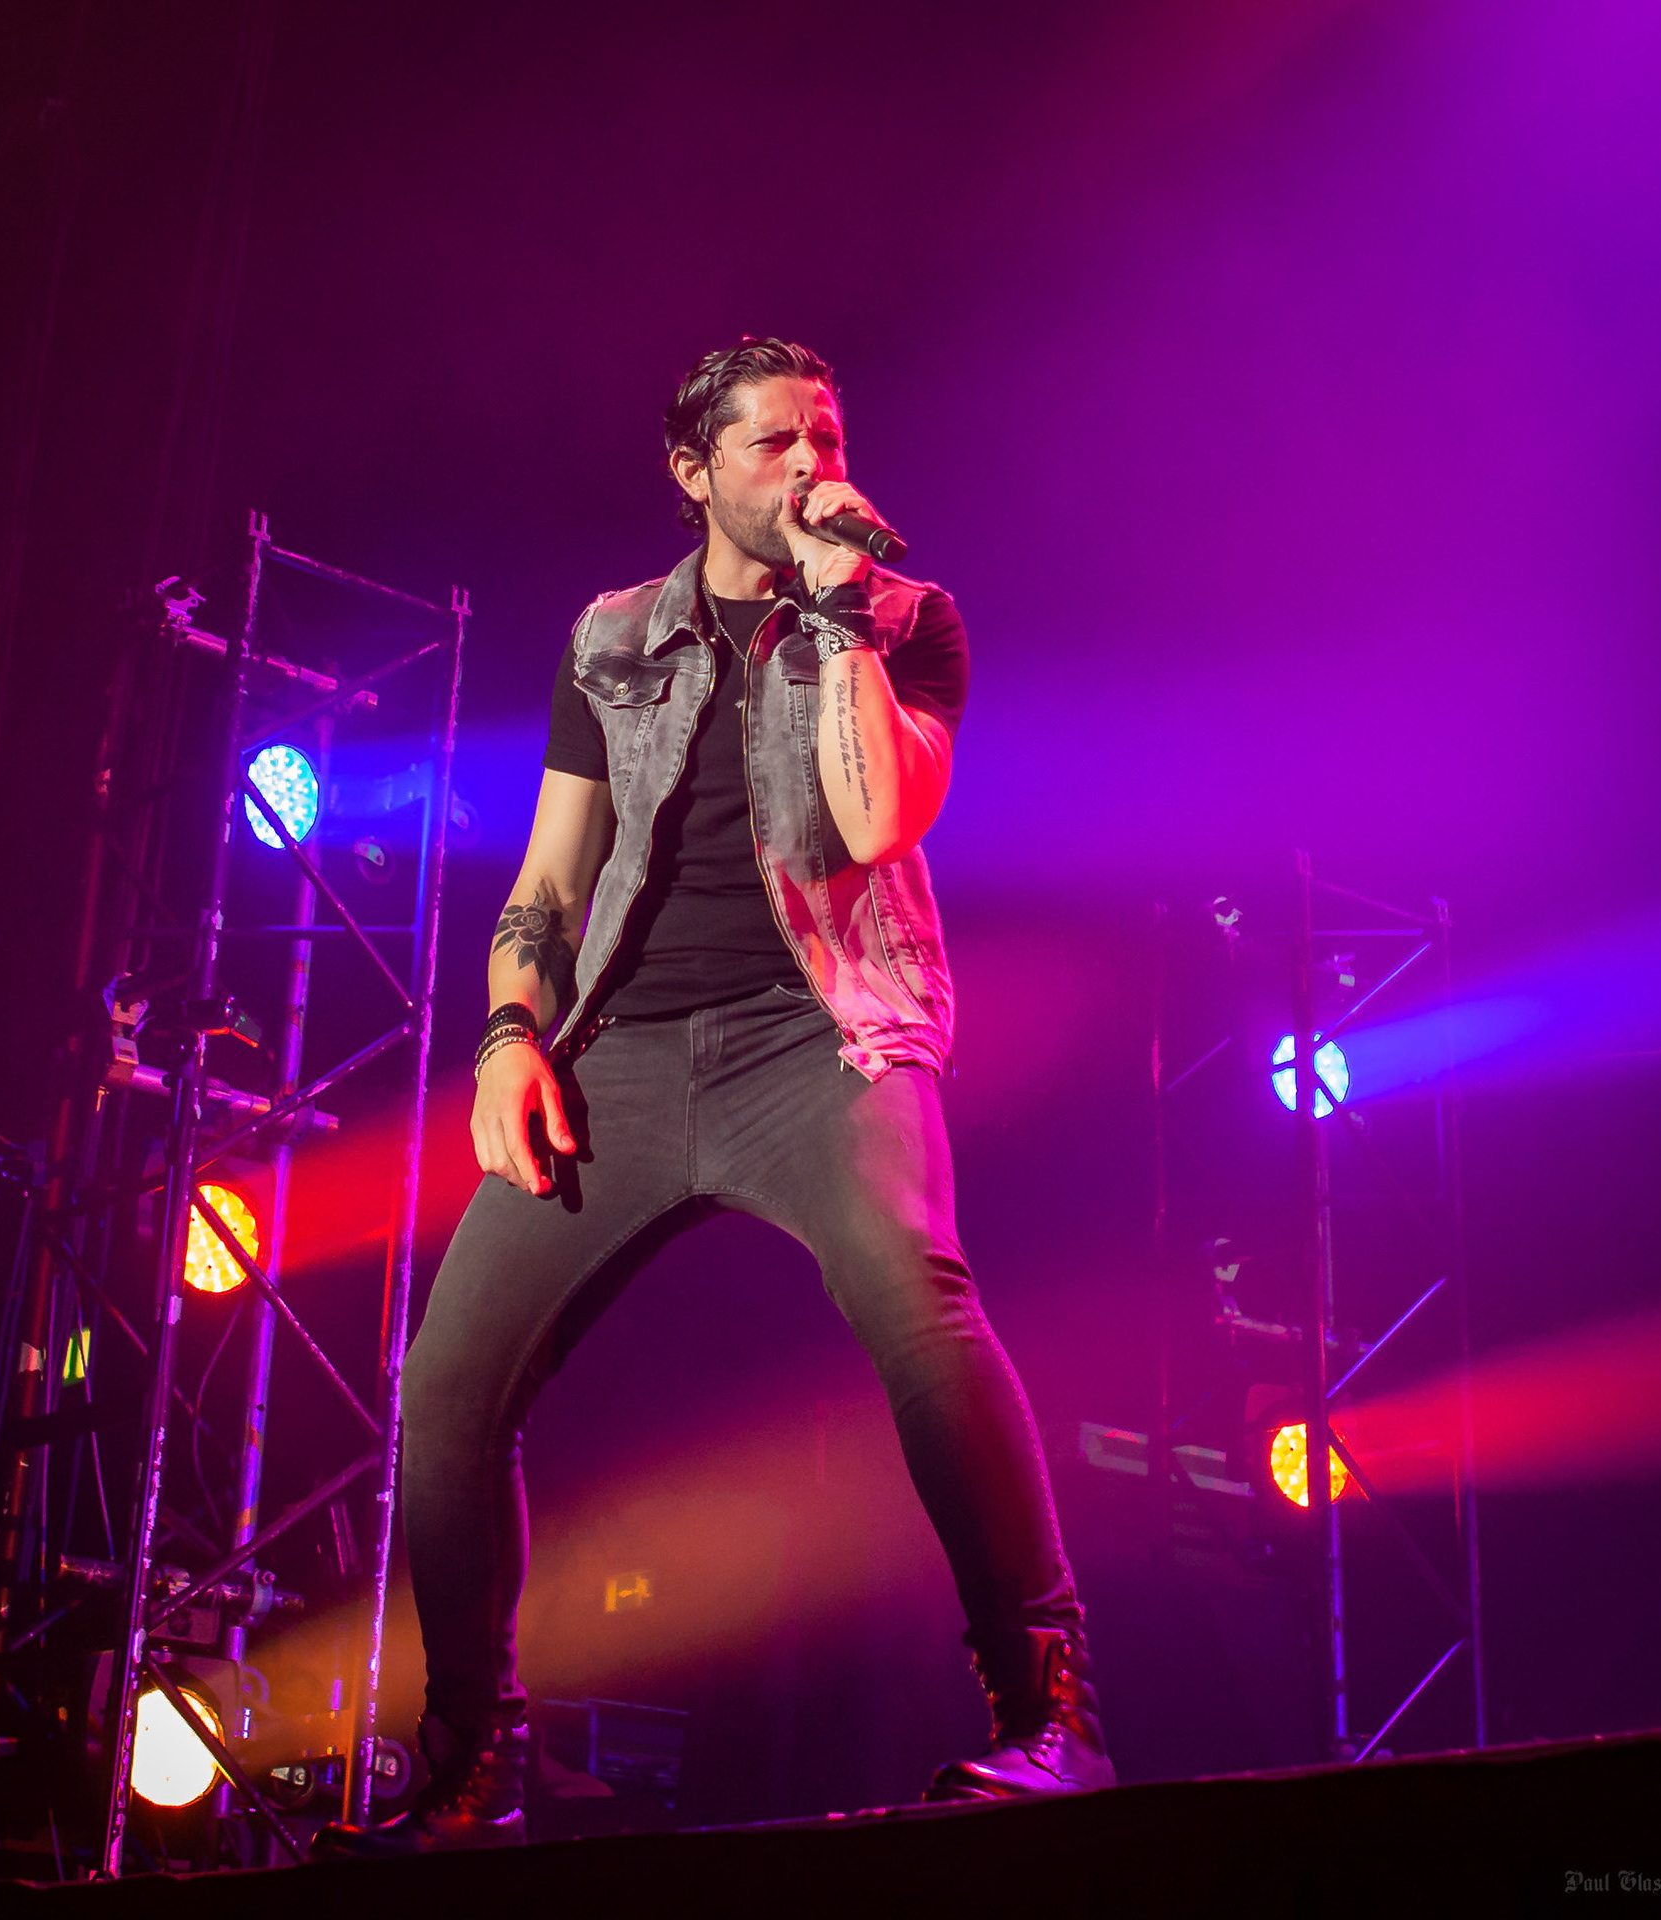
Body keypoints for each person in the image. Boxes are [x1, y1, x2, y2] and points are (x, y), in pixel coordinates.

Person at [316, 337, 1112, 1856]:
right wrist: (507, 1036)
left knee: (919, 1300)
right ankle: (470, 1766)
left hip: (821, 1037)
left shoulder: (909, 618)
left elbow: (876, 822)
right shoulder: (612, 634)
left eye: (827, 439)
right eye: (773, 445)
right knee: (447, 1389)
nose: (811, 467)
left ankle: (1051, 1714)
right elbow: (551, 877)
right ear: (693, 472)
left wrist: (837, 607)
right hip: (617, 1050)